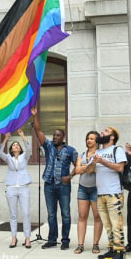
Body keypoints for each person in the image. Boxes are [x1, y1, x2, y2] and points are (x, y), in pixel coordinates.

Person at [31, 106, 78, 250]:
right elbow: (38, 131)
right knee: (51, 214)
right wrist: (35, 116)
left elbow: (78, 165)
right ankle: (52, 239)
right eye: (54, 135)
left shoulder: (70, 150)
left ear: (63, 137)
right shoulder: (48, 146)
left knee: (65, 214)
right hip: (49, 185)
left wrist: (70, 176)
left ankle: (65, 240)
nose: (55, 137)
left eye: (58, 135)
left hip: (63, 186)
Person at [86, 127, 127, 259]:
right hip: (100, 193)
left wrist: (102, 161)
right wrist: (94, 162)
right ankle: (111, 249)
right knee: (107, 224)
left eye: (105, 131)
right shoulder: (97, 152)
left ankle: (119, 252)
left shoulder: (117, 150)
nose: (102, 132)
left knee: (117, 224)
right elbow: (89, 170)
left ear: (112, 137)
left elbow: (120, 168)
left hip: (114, 192)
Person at [0, 129, 32, 249]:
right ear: (11, 149)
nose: (16, 146)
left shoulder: (25, 157)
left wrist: (23, 137)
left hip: (23, 188)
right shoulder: (8, 158)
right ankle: (14, 237)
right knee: (13, 214)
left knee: (26, 213)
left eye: (17, 145)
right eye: (14, 145)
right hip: (11, 188)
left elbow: (29, 149)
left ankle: (27, 238)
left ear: (20, 148)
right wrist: (6, 138)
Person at [71, 131, 103, 254]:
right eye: (87, 138)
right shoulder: (82, 154)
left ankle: (95, 244)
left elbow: (98, 170)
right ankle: (80, 245)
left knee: (97, 216)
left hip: (96, 188)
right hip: (83, 188)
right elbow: (77, 170)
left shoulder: (100, 154)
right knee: (82, 216)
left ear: (97, 141)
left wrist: (84, 167)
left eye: (92, 139)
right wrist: (88, 167)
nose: (89, 140)